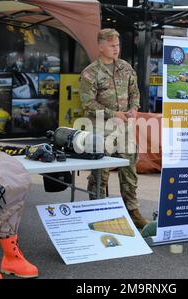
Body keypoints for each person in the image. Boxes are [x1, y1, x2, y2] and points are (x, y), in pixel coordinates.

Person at [79, 28, 149, 230]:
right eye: (111, 45)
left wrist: (134, 109)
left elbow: (135, 92)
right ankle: (98, 212)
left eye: (117, 45)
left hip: (125, 129)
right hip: (101, 129)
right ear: (100, 47)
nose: (116, 49)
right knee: (100, 173)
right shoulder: (90, 73)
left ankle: (132, 212)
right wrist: (113, 114)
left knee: (129, 170)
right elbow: (88, 103)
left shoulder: (126, 68)